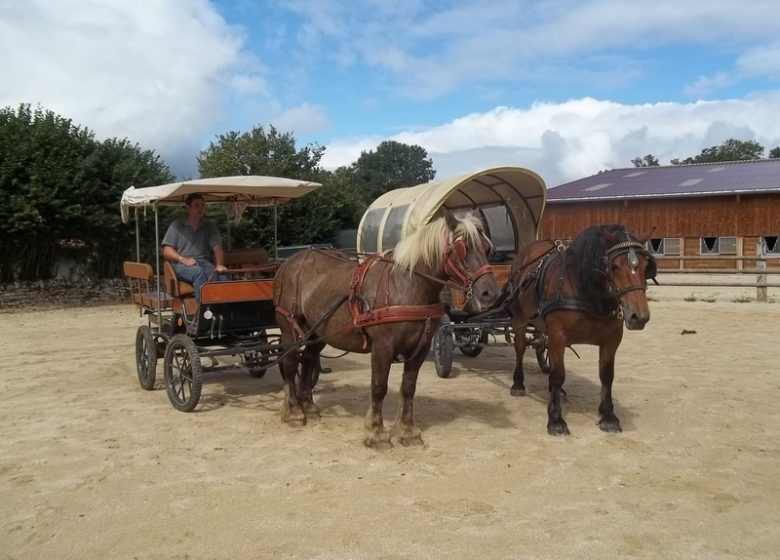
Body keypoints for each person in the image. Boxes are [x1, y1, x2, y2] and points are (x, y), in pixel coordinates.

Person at [162, 193, 228, 306]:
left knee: (221, 276)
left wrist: (219, 265)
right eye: (196, 205)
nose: (200, 208)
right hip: (180, 265)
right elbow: (166, 250)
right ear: (188, 208)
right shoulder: (177, 225)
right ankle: (203, 311)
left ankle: (224, 309)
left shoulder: (209, 225)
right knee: (198, 272)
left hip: (203, 262)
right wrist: (183, 259)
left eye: (202, 205)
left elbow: (217, 247)